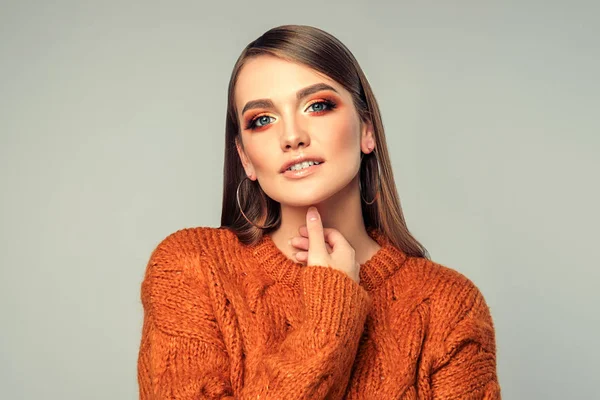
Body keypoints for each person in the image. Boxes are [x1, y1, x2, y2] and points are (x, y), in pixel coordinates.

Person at [137, 24, 501, 399]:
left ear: (366, 130)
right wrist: (332, 311)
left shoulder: (448, 305)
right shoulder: (191, 267)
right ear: (245, 157)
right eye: (262, 119)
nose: (292, 136)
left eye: (318, 106)